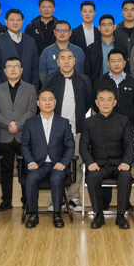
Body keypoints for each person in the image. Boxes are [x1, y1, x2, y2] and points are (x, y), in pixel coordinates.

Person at [43, 49, 92, 209]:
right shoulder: (50, 80)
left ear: (74, 61)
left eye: (69, 58)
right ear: (57, 62)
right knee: (57, 164)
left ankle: (74, 198)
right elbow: (45, 103)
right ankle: (59, 198)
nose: (66, 61)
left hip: (77, 130)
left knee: (77, 163)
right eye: (62, 58)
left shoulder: (84, 79)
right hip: (55, 132)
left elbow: (87, 103)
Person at [81, 87, 134, 229]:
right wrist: (90, 163)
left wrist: (126, 162)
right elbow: (83, 147)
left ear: (114, 102)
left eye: (109, 100)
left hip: (118, 164)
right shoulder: (89, 122)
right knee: (92, 177)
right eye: (102, 100)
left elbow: (129, 145)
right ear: (96, 103)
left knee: (126, 176)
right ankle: (99, 215)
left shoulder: (123, 120)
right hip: (98, 165)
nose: (105, 103)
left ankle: (121, 216)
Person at [21, 89, 75, 228]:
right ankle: (33, 214)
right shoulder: (30, 123)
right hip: (37, 165)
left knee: (57, 179)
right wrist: (30, 161)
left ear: (55, 102)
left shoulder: (63, 122)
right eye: (43, 99)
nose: (47, 102)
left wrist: (63, 162)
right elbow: (25, 145)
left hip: (56, 165)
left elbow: (70, 146)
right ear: (38, 103)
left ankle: (57, 214)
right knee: (31, 178)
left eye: (50, 99)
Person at [0, 57, 38, 214]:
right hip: (4, 136)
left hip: (24, 136)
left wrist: (18, 125)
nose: (13, 69)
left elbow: (32, 110)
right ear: (4, 71)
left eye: (16, 66)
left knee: (25, 170)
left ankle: (27, 201)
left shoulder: (30, 88)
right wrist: (8, 124)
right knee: (5, 171)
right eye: (9, 67)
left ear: (21, 70)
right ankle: (6, 201)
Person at [93, 49, 134, 132]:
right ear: (108, 64)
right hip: (105, 124)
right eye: (113, 61)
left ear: (124, 63)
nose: (116, 64)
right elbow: (95, 103)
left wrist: (128, 115)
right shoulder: (100, 82)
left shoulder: (133, 82)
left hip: (127, 124)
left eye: (119, 61)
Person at [0, 8, 39, 86]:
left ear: (22, 22)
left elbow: (35, 68)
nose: (15, 23)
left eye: (18, 20)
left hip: (27, 87)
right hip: (5, 87)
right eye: (12, 20)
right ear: (6, 21)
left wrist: (34, 88)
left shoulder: (30, 40)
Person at [39, 19, 86, 85]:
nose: (62, 33)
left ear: (70, 33)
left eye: (65, 30)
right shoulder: (47, 52)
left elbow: (82, 72)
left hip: (75, 86)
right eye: (59, 30)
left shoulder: (78, 51)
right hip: (52, 87)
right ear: (54, 32)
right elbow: (42, 73)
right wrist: (48, 86)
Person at [85, 14, 126, 81]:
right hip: (98, 84)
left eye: (109, 24)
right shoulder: (91, 48)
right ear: (99, 28)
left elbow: (126, 69)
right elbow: (87, 72)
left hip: (118, 84)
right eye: (103, 25)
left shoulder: (122, 47)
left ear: (114, 27)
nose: (106, 27)